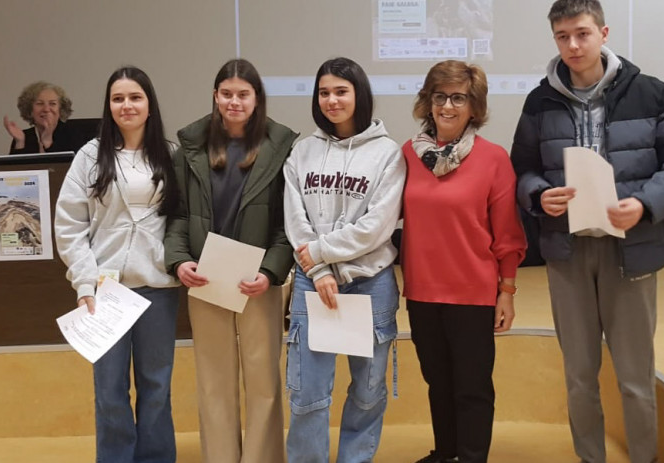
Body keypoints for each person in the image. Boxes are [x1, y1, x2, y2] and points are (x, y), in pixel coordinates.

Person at [510, 1, 664, 462]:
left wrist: (644, 203)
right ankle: (589, 457)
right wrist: (539, 195)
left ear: (603, 32)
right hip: (567, 251)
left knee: (635, 375)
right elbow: (522, 169)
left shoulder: (654, 94)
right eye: (562, 37)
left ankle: (644, 457)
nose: (573, 46)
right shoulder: (540, 101)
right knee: (579, 373)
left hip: (632, 250)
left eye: (582, 34)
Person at [163, 58, 298, 463]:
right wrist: (179, 260)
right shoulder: (190, 147)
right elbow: (178, 215)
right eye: (227, 94)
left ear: (257, 99)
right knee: (213, 381)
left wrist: (271, 271)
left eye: (243, 94)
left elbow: (285, 224)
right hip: (206, 279)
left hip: (258, 280)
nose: (234, 102)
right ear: (215, 96)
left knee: (263, 382)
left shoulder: (282, 146)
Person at [401, 60, 527, 463]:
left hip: (473, 292)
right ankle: (447, 452)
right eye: (440, 97)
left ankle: (471, 456)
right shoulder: (407, 154)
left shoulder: (493, 159)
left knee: (471, 386)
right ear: (428, 102)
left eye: (459, 98)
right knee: (437, 381)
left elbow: (508, 235)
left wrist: (506, 291)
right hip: (422, 291)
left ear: (474, 106)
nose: (448, 106)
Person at [54, 66, 181, 462]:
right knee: (109, 388)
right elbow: (70, 225)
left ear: (149, 104)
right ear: (108, 106)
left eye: (135, 97)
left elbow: (182, 220)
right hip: (105, 292)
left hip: (157, 290)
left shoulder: (170, 155)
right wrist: (85, 284)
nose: (127, 105)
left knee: (156, 385)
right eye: (118, 98)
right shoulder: (89, 157)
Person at [283, 57, 406, 463]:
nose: (332, 100)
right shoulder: (302, 151)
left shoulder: (387, 154)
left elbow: (377, 227)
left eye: (341, 91)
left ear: (359, 94)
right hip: (312, 283)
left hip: (370, 282)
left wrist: (320, 251)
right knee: (308, 395)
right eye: (324, 92)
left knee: (368, 394)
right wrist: (317, 268)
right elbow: (295, 218)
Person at [4, 81, 85, 154]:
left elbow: (70, 168)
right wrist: (20, 142)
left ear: (60, 109)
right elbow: (15, 169)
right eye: (40, 103)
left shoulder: (73, 134)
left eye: (52, 104)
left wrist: (48, 142)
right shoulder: (23, 136)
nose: (46, 109)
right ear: (30, 110)